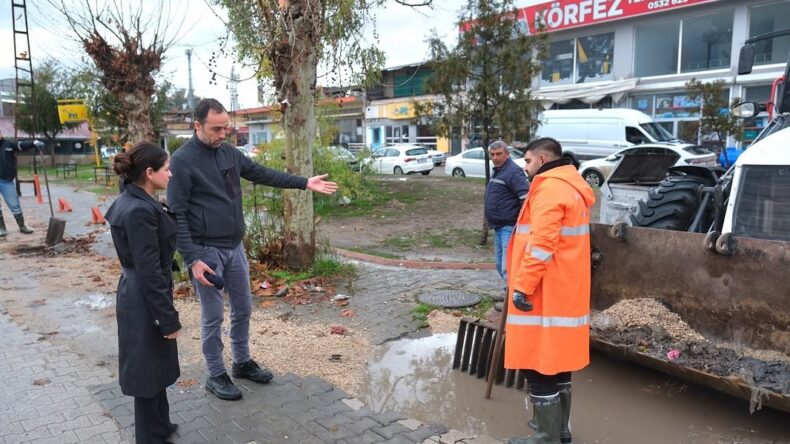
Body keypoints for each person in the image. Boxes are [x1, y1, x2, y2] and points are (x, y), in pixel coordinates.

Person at [167, 98, 338, 401]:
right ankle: (216, 373)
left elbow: (262, 173)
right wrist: (192, 259)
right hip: (206, 252)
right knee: (212, 315)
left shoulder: (230, 154)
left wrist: (303, 182)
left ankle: (242, 362)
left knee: (244, 308)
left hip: (234, 248)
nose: (222, 135)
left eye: (226, 129)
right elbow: (177, 214)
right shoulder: (182, 162)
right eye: (216, 129)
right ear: (197, 126)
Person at [504, 137, 595, 444]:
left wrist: (522, 287)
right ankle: (560, 430)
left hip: (543, 292)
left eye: (527, 161)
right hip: (563, 290)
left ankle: (546, 437)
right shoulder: (571, 187)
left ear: (542, 159)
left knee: (537, 363)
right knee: (558, 362)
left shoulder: (550, 189)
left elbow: (541, 245)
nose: (525, 167)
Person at [105, 142, 181, 444]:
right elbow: (149, 271)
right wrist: (168, 319)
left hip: (141, 293)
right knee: (147, 372)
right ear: (150, 173)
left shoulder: (136, 200)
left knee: (155, 366)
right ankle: (150, 437)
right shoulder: (138, 209)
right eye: (166, 168)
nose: (171, 174)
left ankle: (161, 427)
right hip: (143, 297)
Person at [483, 140, 529, 310]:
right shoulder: (499, 171)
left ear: (507, 154)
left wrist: (520, 222)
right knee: (500, 264)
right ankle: (506, 291)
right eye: (492, 154)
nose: (495, 158)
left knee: (508, 266)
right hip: (499, 226)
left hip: (509, 226)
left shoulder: (513, 172)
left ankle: (511, 300)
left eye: (499, 154)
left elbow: (525, 198)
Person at [0, 130, 34, 237]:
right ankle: (1, 228)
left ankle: (22, 226)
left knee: (14, 204)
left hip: (6, 181)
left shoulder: (9, 144)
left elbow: (21, 145)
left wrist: (34, 143)